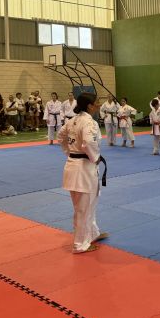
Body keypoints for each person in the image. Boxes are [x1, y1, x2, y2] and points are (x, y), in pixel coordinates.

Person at [58, 92, 107, 254]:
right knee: (83, 208)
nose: (98, 105)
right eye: (96, 102)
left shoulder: (72, 121)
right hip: (84, 169)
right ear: (89, 106)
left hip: (74, 165)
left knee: (88, 205)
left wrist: (70, 152)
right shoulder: (89, 122)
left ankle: (92, 233)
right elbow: (88, 142)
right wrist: (96, 157)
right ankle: (80, 244)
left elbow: (61, 137)